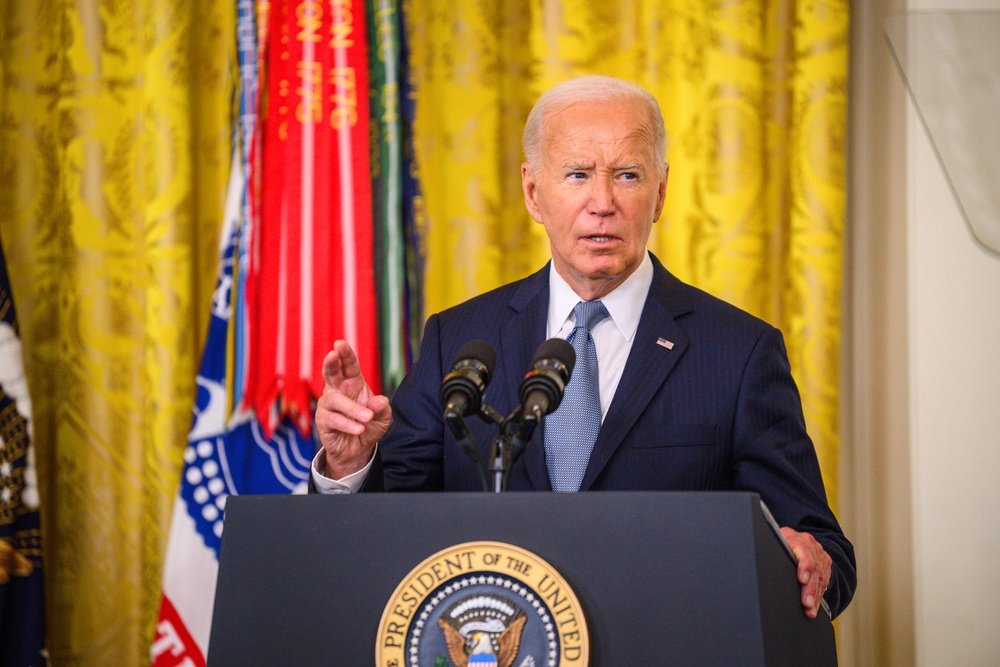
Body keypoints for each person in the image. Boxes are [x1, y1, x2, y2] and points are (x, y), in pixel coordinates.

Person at [311, 75, 856, 619]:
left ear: (660, 192)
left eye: (627, 175)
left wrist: (814, 562)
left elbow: (821, 550)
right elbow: (386, 531)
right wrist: (350, 465)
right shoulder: (456, 341)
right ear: (533, 192)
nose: (603, 202)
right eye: (577, 175)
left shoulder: (738, 352)